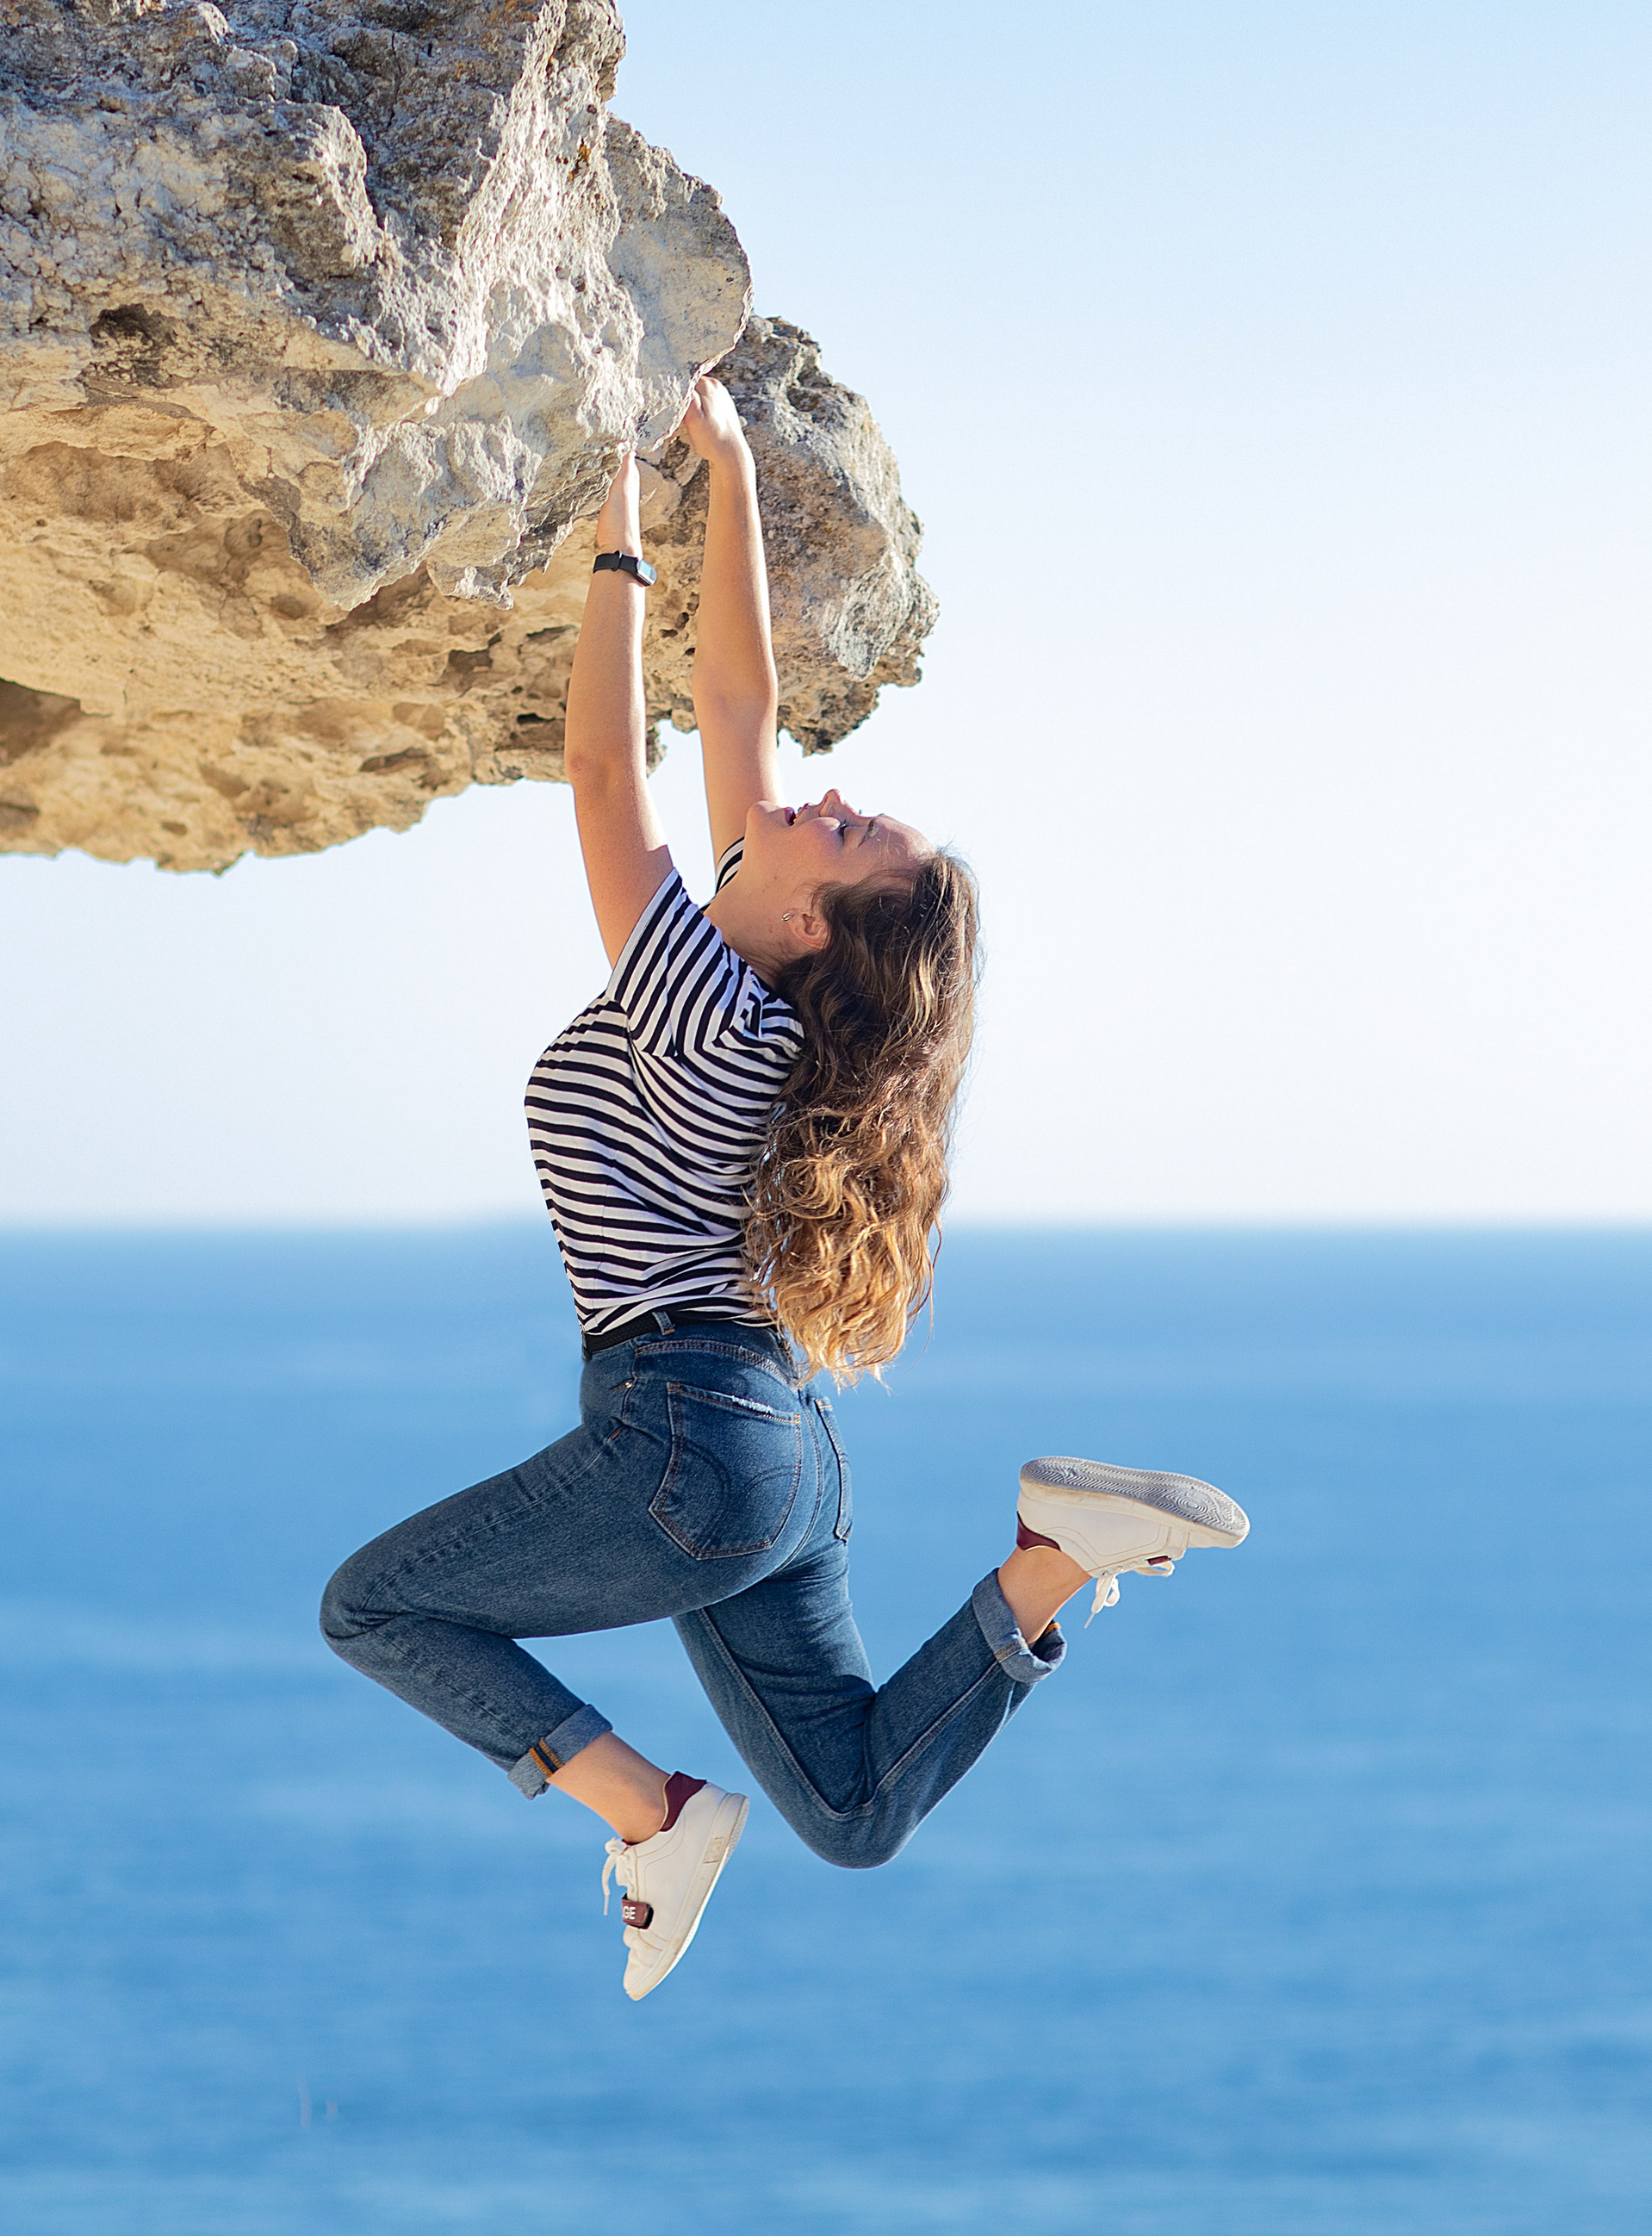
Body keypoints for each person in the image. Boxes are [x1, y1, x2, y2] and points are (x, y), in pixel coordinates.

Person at [321, 374, 1249, 2000]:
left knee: (377, 1610)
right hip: (774, 1455)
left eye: (843, 830)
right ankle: (1050, 1558)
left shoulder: (709, 998)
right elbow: (735, 714)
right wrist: (725, 468)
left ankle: (649, 1810)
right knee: (852, 1810)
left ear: (815, 920)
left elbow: (611, 783)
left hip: (688, 1444)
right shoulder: (771, 1025)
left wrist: (617, 548)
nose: (813, 797)